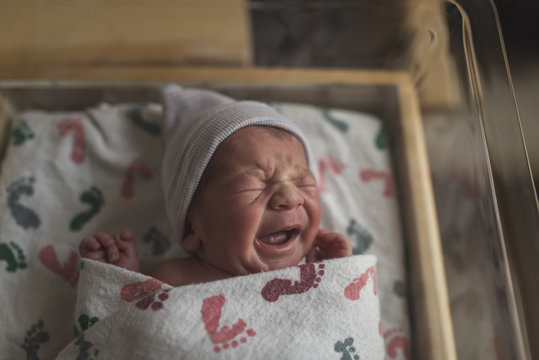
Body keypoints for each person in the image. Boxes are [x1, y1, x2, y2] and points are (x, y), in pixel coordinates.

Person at [79, 86, 352, 286]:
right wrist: (116, 281)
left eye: (302, 181)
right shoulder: (173, 278)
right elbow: (126, 334)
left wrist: (335, 280)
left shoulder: (311, 279)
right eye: (256, 183)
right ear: (192, 228)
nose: (290, 196)